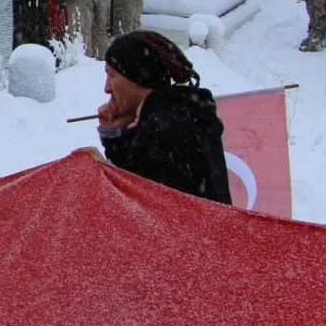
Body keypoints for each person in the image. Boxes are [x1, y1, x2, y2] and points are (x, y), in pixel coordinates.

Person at [94, 30, 231, 204]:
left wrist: (101, 171)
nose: (106, 88)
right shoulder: (184, 112)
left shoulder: (162, 130)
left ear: (137, 77)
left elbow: (147, 211)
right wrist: (116, 136)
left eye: (111, 75)